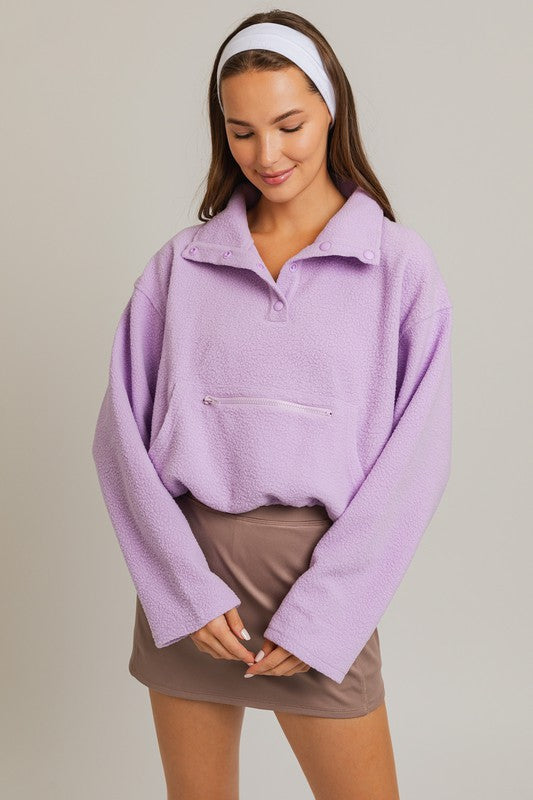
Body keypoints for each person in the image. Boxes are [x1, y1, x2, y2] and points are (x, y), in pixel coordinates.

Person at [92, 9, 453, 799]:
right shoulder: (180, 266)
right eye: (241, 132)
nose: (267, 154)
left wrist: (327, 613)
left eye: (289, 125)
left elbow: (416, 463)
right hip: (191, 580)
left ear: (331, 110)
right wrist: (182, 592)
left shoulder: (396, 267)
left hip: (320, 580)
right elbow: (118, 442)